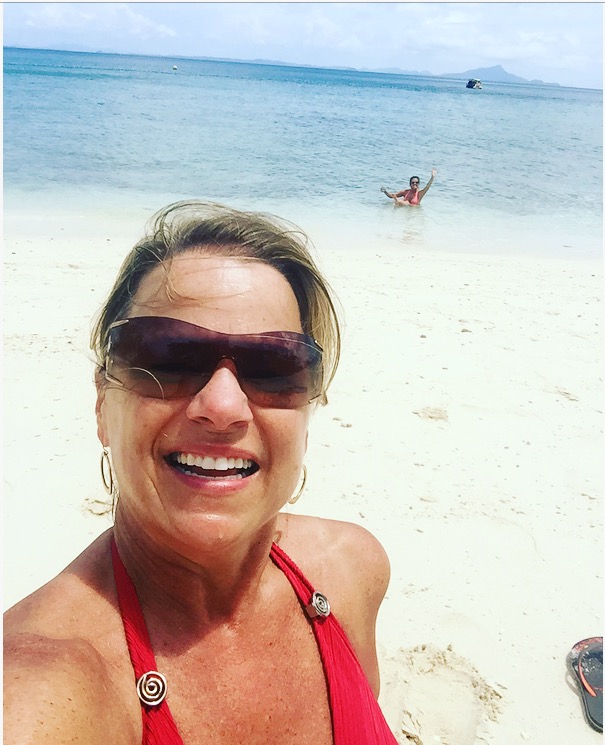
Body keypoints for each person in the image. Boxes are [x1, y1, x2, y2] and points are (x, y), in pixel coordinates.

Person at [4, 201, 399, 744]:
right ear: (102, 403)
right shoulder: (44, 687)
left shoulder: (352, 571)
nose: (223, 406)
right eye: (170, 357)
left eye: (274, 365)